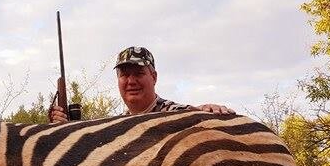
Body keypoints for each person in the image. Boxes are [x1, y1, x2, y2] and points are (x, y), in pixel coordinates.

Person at [49, 46, 235, 123]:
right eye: (124, 75)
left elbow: (194, 115)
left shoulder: (176, 114)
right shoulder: (117, 123)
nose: (131, 81)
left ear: (153, 77)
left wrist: (204, 111)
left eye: (138, 73)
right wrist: (63, 127)